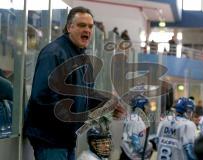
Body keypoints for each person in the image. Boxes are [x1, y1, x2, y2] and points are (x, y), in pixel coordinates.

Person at [23, 6, 126, 160]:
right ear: (70, 27)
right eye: (82, 25)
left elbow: (84, 96)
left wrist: (107, 103)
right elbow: (42, 98)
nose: (87, 30)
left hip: (66, 139)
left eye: (90, 26)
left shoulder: (83, 59)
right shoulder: (54, 53)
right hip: (50, 140)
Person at [120, 94, 153, 160]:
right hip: (132, 156)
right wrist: (151, 145)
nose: (149, 108)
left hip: (126, 154)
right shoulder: (138, 121)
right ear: (142, 106)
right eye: (146, 105)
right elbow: (139, 147)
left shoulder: (131, 117)